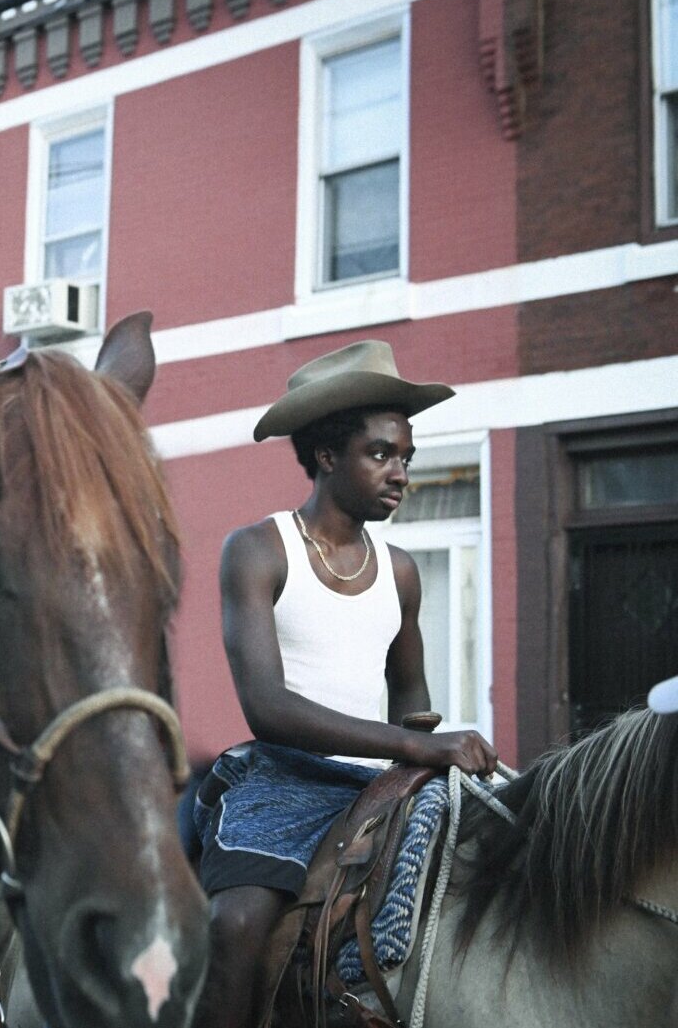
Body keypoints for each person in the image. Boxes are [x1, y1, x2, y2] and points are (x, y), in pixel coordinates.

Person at [191, 341, 499, 1028]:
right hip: (281, 781)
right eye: (382, 453)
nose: (401, 473)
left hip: (380, 792)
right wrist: (420, 745)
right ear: (329, 455)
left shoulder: (402, 572)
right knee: (236, 924)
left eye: (406, 457)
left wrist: (426, 745)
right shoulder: (258, 549)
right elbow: (267, 708)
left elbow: (412, 706)